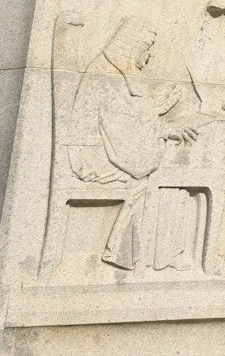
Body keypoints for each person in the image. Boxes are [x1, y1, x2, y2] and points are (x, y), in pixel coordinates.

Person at [67, 20, 199, 271]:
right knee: (166, 176)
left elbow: (126, 117)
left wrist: (156, 107)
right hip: (94, 157)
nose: (149, 56)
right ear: (130, 46)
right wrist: (163, 129)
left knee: (167, 173)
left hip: (106, 148)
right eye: (146, 48)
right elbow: (120, 131)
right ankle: (152, 255)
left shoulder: (111, 71)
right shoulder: (105, 74)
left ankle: (128, 251)